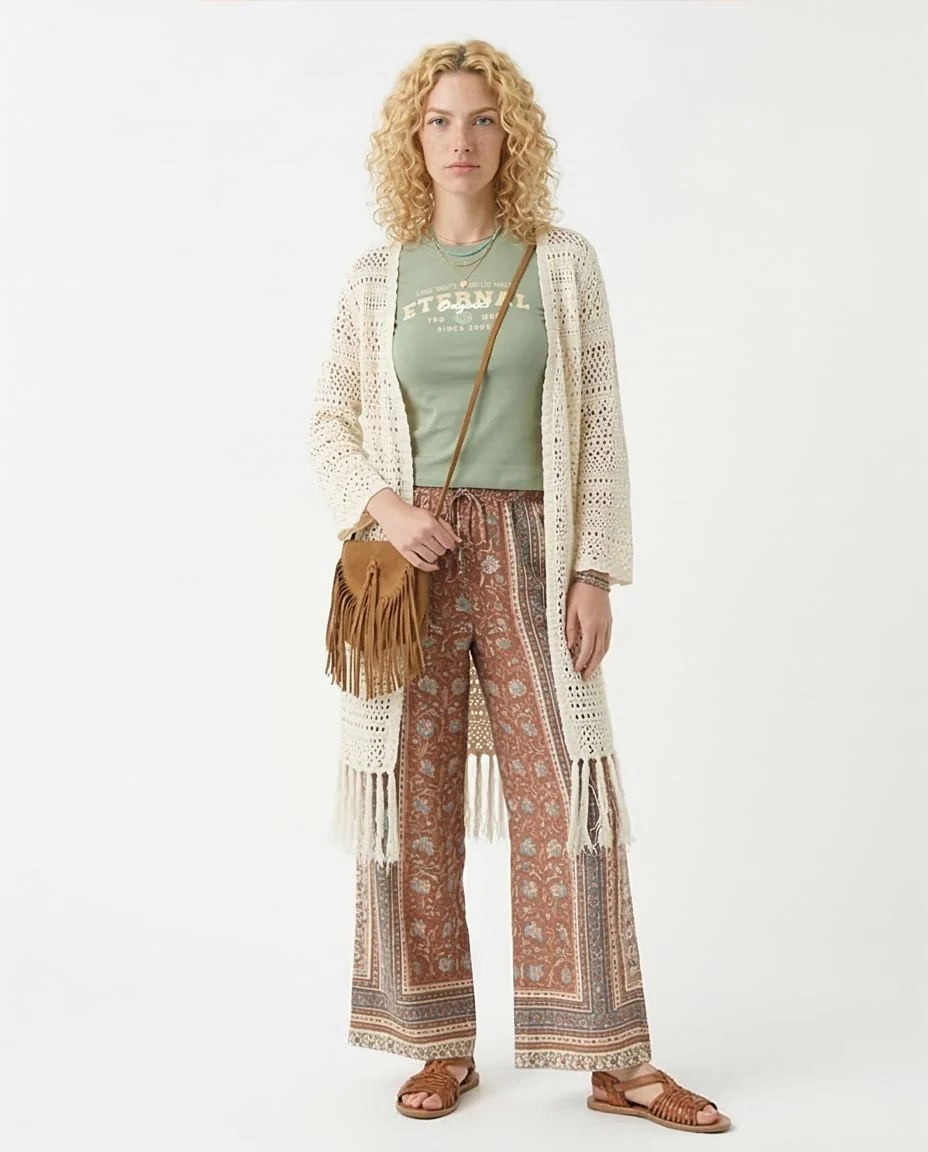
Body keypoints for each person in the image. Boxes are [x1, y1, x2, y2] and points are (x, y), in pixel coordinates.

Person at [307, 39, 731, 1134]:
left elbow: (598, 424)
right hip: (413, 561)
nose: (462, 140)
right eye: (441, 121)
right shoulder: (377, 278)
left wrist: (593, 569)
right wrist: (388, 511)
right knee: (410, 794)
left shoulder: (560, 264)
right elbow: (328, 424)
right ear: (413, 140)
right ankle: (436, 1042)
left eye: (483, 119)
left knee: (569, 794)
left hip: (536, 551)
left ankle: (616, 1059)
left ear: (513, 137)